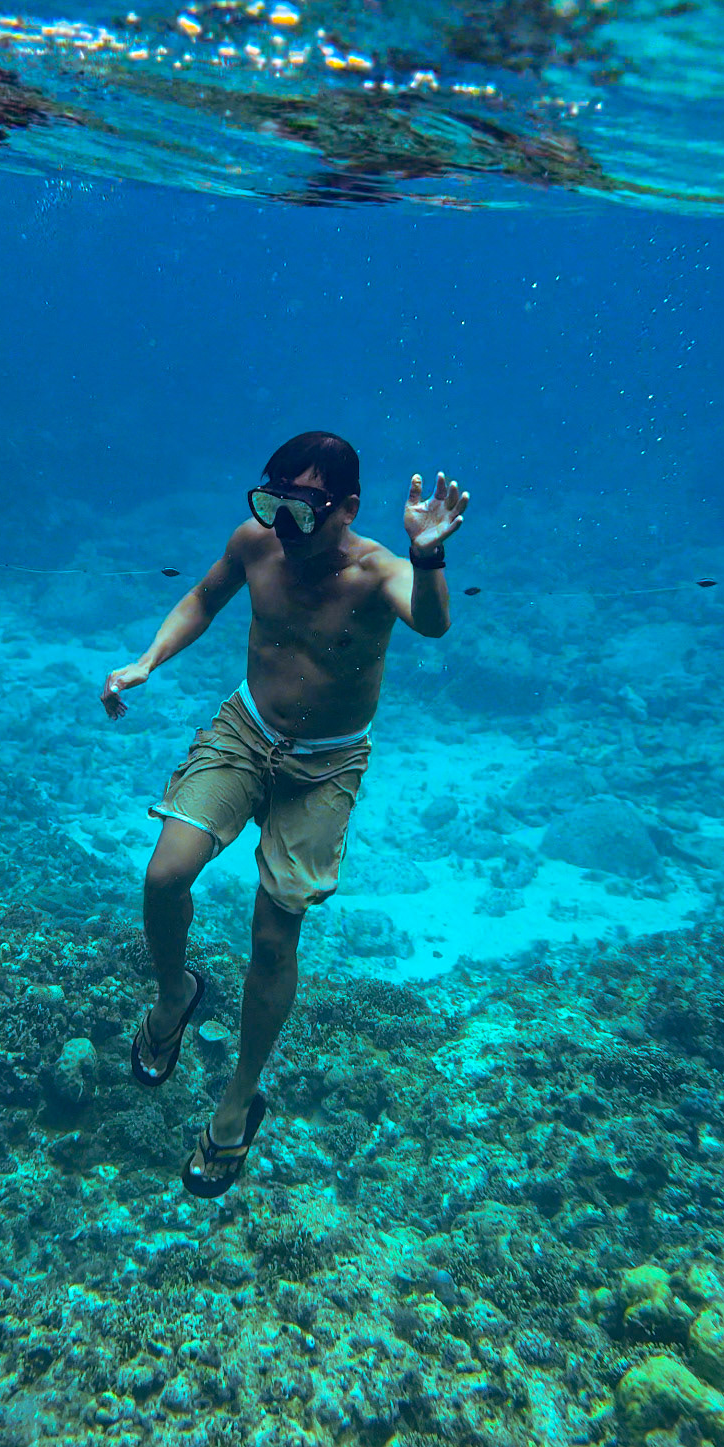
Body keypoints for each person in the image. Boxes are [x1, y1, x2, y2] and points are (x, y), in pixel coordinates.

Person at [101, 431, 468, 1197]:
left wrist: (428, 553)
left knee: (274, 939)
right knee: (166, 874)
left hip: (326, 763)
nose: (283, 527)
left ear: (348, 509)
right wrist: (147, 660)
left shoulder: (378, 572)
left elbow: (431, 623)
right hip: (246, 731)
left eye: (302, 510)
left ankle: (237, 1101)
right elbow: (203, 599)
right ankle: (176, 996)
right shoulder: (256, 542)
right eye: (272, 505)